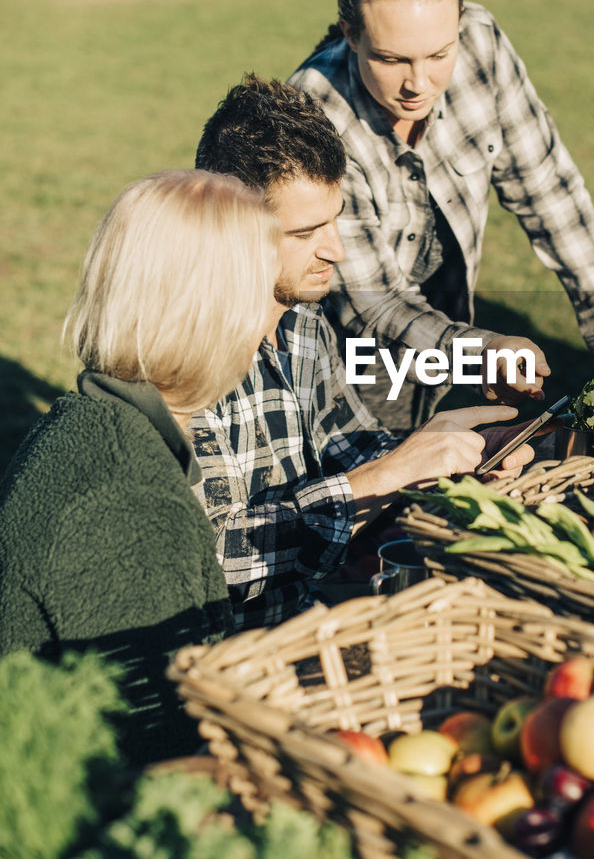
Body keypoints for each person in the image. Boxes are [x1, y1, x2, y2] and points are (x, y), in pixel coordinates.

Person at [191, 75, 535, 630]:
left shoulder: (303, 323)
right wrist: (383, 477)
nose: (336, 249)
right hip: (213, 667)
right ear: (230, 227)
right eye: (304, 232)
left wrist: (452, 457)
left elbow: (355, 449)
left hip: (305, 624)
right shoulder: (176, 350)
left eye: (335, 218)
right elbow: (208, 558)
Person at [288, 0, 594, 431]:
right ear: (350, 34)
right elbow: (372, 305)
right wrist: (482, 351)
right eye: (392, 59)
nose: (418, 83)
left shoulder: (481, 44)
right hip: (352, 358)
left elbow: (547, 189)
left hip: (447, 328)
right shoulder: (314, 115)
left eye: (439, 54)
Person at [0, 169, 284, 765]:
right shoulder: (128, 503)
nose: (270, 323)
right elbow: (168, 745)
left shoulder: (87, 422)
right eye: (265, 295)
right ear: (212, 315)